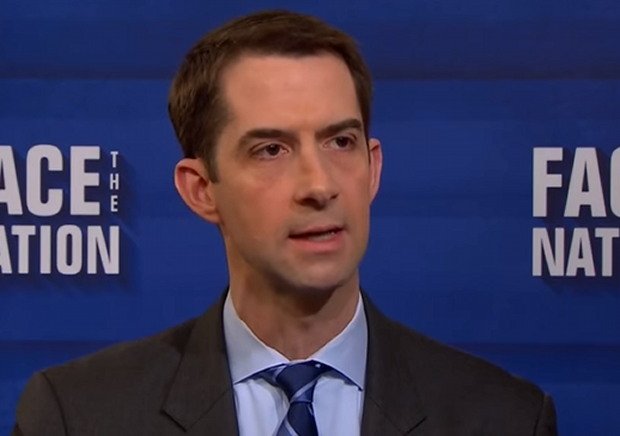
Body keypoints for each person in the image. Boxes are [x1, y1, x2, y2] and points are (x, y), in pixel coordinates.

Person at [13, 10, 557, 436]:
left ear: (373, 169)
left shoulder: (505, 417)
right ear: (201, 189)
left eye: (340, 142)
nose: (319, 185)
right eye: (271, 149)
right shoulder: (78, 415)